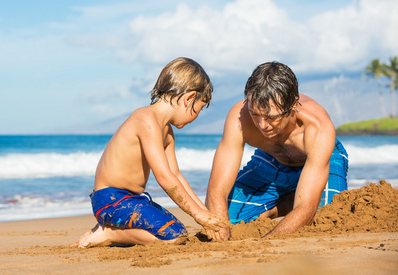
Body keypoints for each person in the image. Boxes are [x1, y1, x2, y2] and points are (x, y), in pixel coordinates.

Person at [73, 57, 227, 248]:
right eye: (198, 109)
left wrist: (205, 212)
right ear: (189, 98)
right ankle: (109, 233)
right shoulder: (146, 120)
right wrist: (197, 214)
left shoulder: (167, 133)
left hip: (134, 200)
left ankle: (114, 229)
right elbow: (164, 177)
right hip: (111, 200)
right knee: (173, 236)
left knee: (176, 228)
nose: (196, 117)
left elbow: (176, 175)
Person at [205, 61, 348, 241]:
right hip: (271, 160)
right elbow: (217, 188)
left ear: (293, 104)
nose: (262, 125)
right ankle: (281, 205)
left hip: (320, 159)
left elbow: (306, 207)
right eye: (255, 114)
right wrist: (221, 232)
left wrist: (266, 242)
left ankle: (290, 199)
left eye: (271, 117)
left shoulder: (317, 127)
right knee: (227, 216)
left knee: (325, 219)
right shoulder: (239, 117)